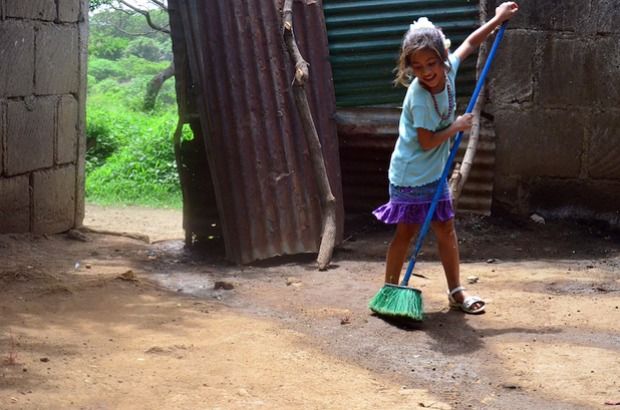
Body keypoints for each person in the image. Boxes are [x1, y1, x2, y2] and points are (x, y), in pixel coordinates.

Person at [373, 2, 519, 314]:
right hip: (411, 173)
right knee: (406, 232)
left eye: (432, 63)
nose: (426, 72)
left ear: (442, 59)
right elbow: (426, 142)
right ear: (410, 66)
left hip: (435, 172)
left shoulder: (449, 70)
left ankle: (456, 292)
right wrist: (456, 126)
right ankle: (389, 290)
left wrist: (497, 19)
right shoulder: (420, 96)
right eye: (418, 66)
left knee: (445, 229)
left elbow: (470, 42)